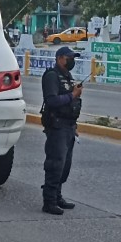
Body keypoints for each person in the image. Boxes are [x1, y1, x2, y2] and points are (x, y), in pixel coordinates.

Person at [40, 46, 83, 215]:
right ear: (59, 58)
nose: (71, 60)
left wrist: (75, 126)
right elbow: (52, 100)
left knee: (65, 166)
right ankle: (49, 201)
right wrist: (73, 95)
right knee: (55, 165)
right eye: (69, 57)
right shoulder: (52, 76)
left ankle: (57, 196)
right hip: (57, 126)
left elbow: (71, 105)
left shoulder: (68, 76)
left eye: (73, 57)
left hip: (69, 126)